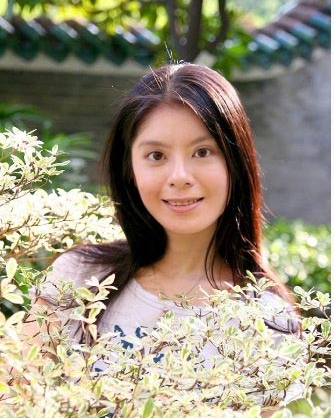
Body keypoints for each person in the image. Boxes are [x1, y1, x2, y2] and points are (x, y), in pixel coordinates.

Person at [21, 61, 296, 358]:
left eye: (202, 152)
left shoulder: (268, 323)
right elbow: (11, 386)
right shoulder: (78, 276)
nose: (179, 176)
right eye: (156, 155)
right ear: (129, 170)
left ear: (236, 163)